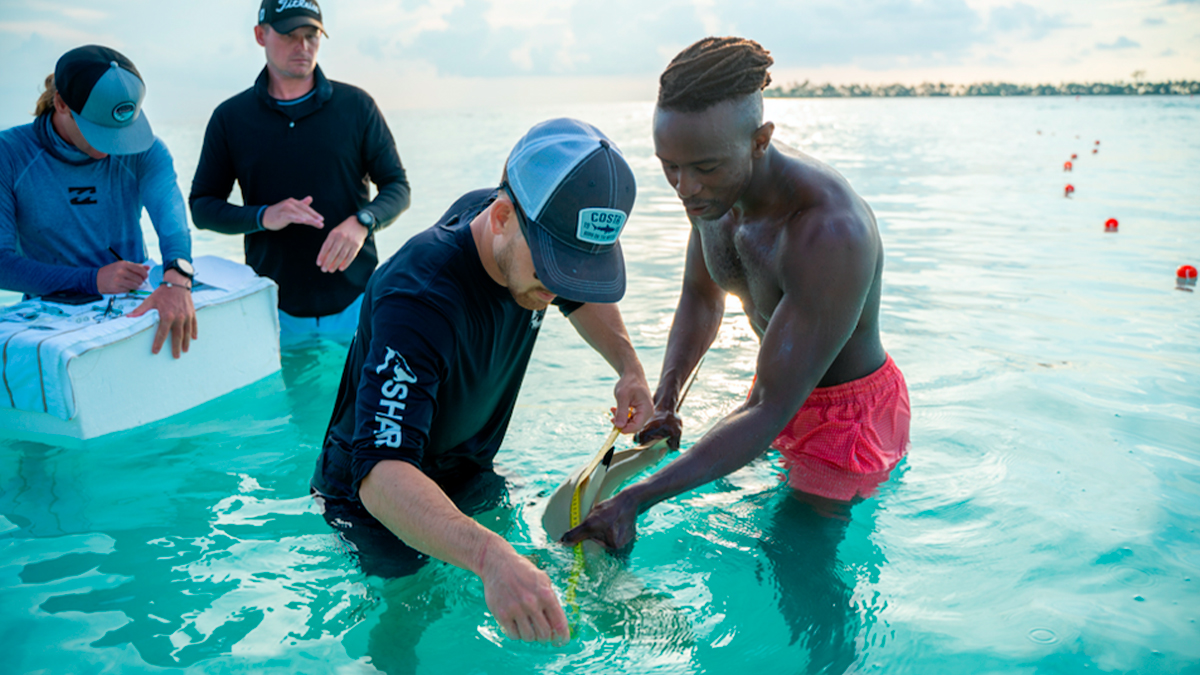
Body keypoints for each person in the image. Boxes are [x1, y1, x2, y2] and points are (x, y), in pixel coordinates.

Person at [311, 118, 653, 644]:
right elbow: (379, 472)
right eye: (553, 272)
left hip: (467, 467)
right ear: (501, 217)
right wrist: (490, 557)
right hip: (376, 499)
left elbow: (580, 295)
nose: (562, 290)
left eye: (579, 271)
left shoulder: (514, 221)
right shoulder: (418, 297)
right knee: (411, 614)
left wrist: (628, 366)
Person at [564, 37, 911, 550]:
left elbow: (770, 407)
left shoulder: (828, 233)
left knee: (794, 563)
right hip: (777, 392)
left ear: (760, 140)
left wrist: (636, 498)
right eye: (670, 166)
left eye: (703, 168)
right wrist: (666, 398)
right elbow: (702, 296)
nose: (684, 188)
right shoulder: (708, 191)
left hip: (847, 420)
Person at [189, 0, 410, 344]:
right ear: (260, 35)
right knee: (290, 400)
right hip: (274, 309)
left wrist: (363, 222)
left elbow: (397, 187)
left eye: (312, 35)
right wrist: (263, 216)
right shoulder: (230, 118)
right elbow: (202, 207)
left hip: (357, 301)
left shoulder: (356, 106)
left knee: (357, 398)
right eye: (290, 35)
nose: (303, 46)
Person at [0, 45, 197, 358]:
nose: (115, 145)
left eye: (123, 130)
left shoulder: (146, 150)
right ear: (62, 103)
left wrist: (177, 277)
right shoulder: (9, 154)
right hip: (51, 324)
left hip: (132, 310)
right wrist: (92, 280)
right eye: (100, 130)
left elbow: (172, 222)